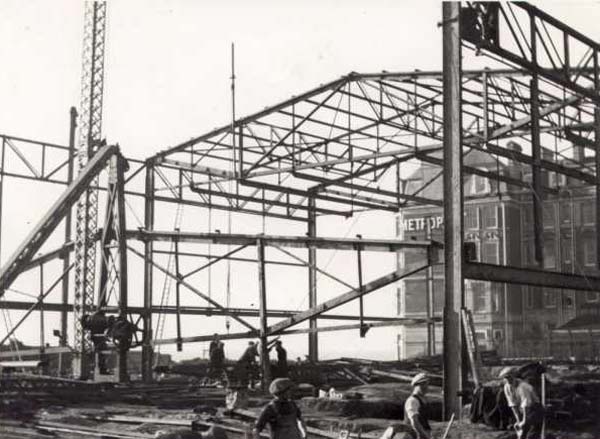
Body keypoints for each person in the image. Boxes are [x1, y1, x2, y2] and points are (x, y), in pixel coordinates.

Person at [499, 366, 544, 439]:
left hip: (535, 410)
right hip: (523, 410)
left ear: (514, 376)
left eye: (509, 377)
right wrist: (518, 421)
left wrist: (524, 421)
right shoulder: (507, 387)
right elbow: (513, 404)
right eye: (506, 378)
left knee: (531, 436)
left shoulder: (523, 387)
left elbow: (526, 405)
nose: (508, 380)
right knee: (521, 434)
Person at [403, 373, 432, 439]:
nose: (426, 387)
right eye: (423, 385)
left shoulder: (422, 400)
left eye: (426, 384)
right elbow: (414, 422)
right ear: (416, 385)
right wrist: (425, 436)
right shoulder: (412, 401)